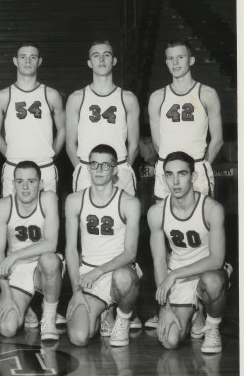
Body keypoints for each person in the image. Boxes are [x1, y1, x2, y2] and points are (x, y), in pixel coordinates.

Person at [146, 39, 223, 329]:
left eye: (181, 57)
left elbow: (215, 139)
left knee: (201, 237)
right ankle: (165, 301)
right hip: (167, 170)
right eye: (170, 59)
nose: (175, 63)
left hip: (196, 169)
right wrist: (172, 167)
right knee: (165, 237)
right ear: (166, 63)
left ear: (191, 60)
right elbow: (156, 140)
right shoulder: (157, 97)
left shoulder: (207, 93)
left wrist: (198, 167)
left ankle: (201, 307)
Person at [147, 151, 229, 354]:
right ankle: (196, 313)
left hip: (207, 271)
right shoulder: (156, 212)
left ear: (193, 177)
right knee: (170, 341)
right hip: (180, 279)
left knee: (212, 282)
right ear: (163, 177)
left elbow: (217, 259)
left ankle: (212, 326)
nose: (175, 181)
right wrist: (164, 308)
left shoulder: (211, 209)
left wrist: (174, 274)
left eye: (181, 174)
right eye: (169, 175)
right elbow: (158, 261)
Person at [65, 144, 142, 347]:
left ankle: (122, 319)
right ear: (87, 167)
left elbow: (130, 253)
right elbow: (71, 251)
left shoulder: (129, 202)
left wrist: (98, 272)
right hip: (88, 275)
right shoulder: (74, 200)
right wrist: (76, 291)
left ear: (115, 169)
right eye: (94, 164)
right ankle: (105, 312)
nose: (98, 170)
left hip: (118, 270)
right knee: (80, 337)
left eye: (105, 165)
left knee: (123, 277)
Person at [0, 160, 63, 341]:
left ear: (40, 184)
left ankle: (48, 317)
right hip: (18, 270)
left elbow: (51, 244)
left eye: (31, 181)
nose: (25, 187)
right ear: (13, 183)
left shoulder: (47, 199)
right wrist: (6, 295)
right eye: (19, 181)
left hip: (43, 267)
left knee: (50, 259)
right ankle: (27, 307)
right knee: (7, 328)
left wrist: (15, 255)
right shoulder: (3, 205)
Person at [66, 39, 140, 196]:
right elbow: (70, 144)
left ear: (113, 61)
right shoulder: (76, 98)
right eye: (96, 55)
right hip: (87, 169)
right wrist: (81, 168)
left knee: (122, 218)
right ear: (89, 62)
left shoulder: (128, 98)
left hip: (119, 169)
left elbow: (134, 144)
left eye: (106, 55)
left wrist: (123, 168)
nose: (101, 59)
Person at [0, 42, 65, 197]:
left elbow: (63, 129)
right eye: (23, 57)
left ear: (39, 61)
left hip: (44, 166)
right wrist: (9, 153)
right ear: (15, 61)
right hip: (14, 166)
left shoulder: (51, 95)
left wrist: (52, 153)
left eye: (33, 57)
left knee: (46, 216)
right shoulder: (3, 96)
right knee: (12, 216)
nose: (28, 61)